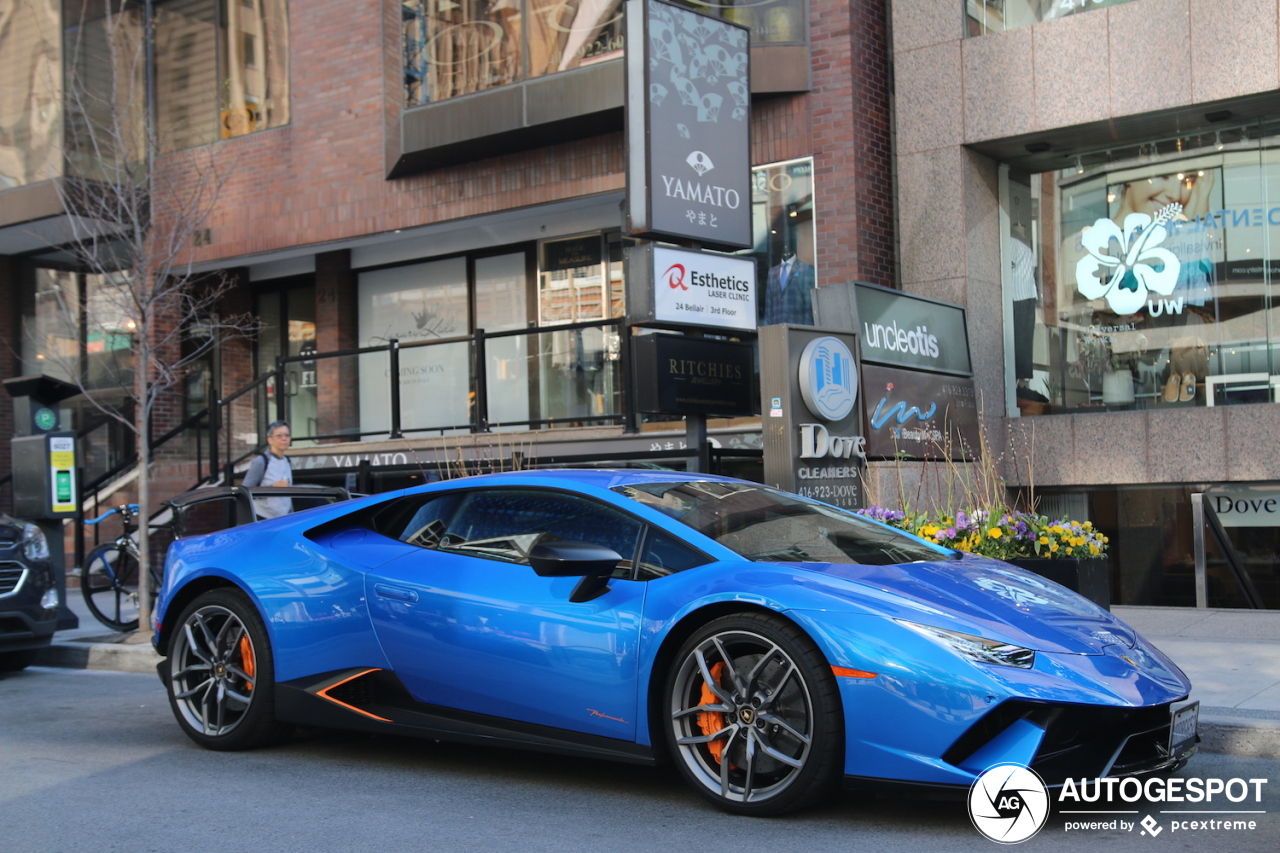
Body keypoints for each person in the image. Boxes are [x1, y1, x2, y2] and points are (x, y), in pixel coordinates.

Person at [242, 420, 293, 519]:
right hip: (263, 517)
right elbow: (245, 490)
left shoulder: (287, 460)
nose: (284, 439)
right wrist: (272, 487)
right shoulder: (261, 461)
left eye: (287, 435)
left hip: (284, 518)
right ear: (270, 440)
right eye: (279, 436)